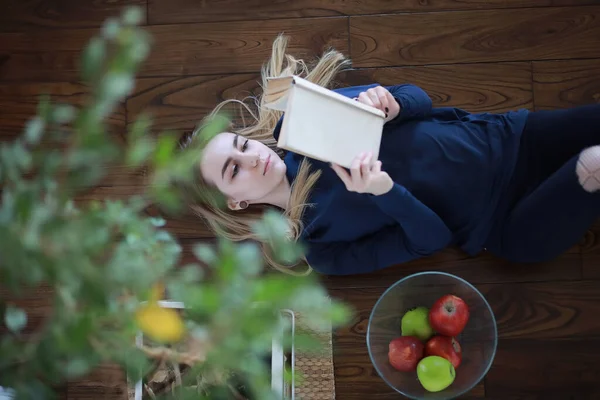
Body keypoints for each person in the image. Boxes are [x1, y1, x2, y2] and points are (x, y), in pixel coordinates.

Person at [183, 34, 600, 276]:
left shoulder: (302, 124)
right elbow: (431, 241)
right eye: (234, 169)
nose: (253, 156)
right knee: (594, 163)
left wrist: (393, 104)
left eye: (242, 144)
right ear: (236, 202)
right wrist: (384, 191)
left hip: (511, 138)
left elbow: (418, 99)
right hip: (505, 220)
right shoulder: (317, 247)